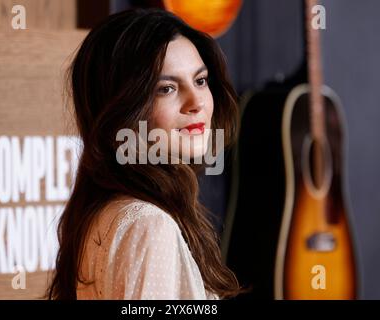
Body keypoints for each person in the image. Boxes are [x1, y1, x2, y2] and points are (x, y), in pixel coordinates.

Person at [47, 8, 244, 300]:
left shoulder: (108, 211)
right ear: (124, 111)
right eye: (166, 88)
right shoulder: (149, 225)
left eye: (200, 81)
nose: (196, 103)